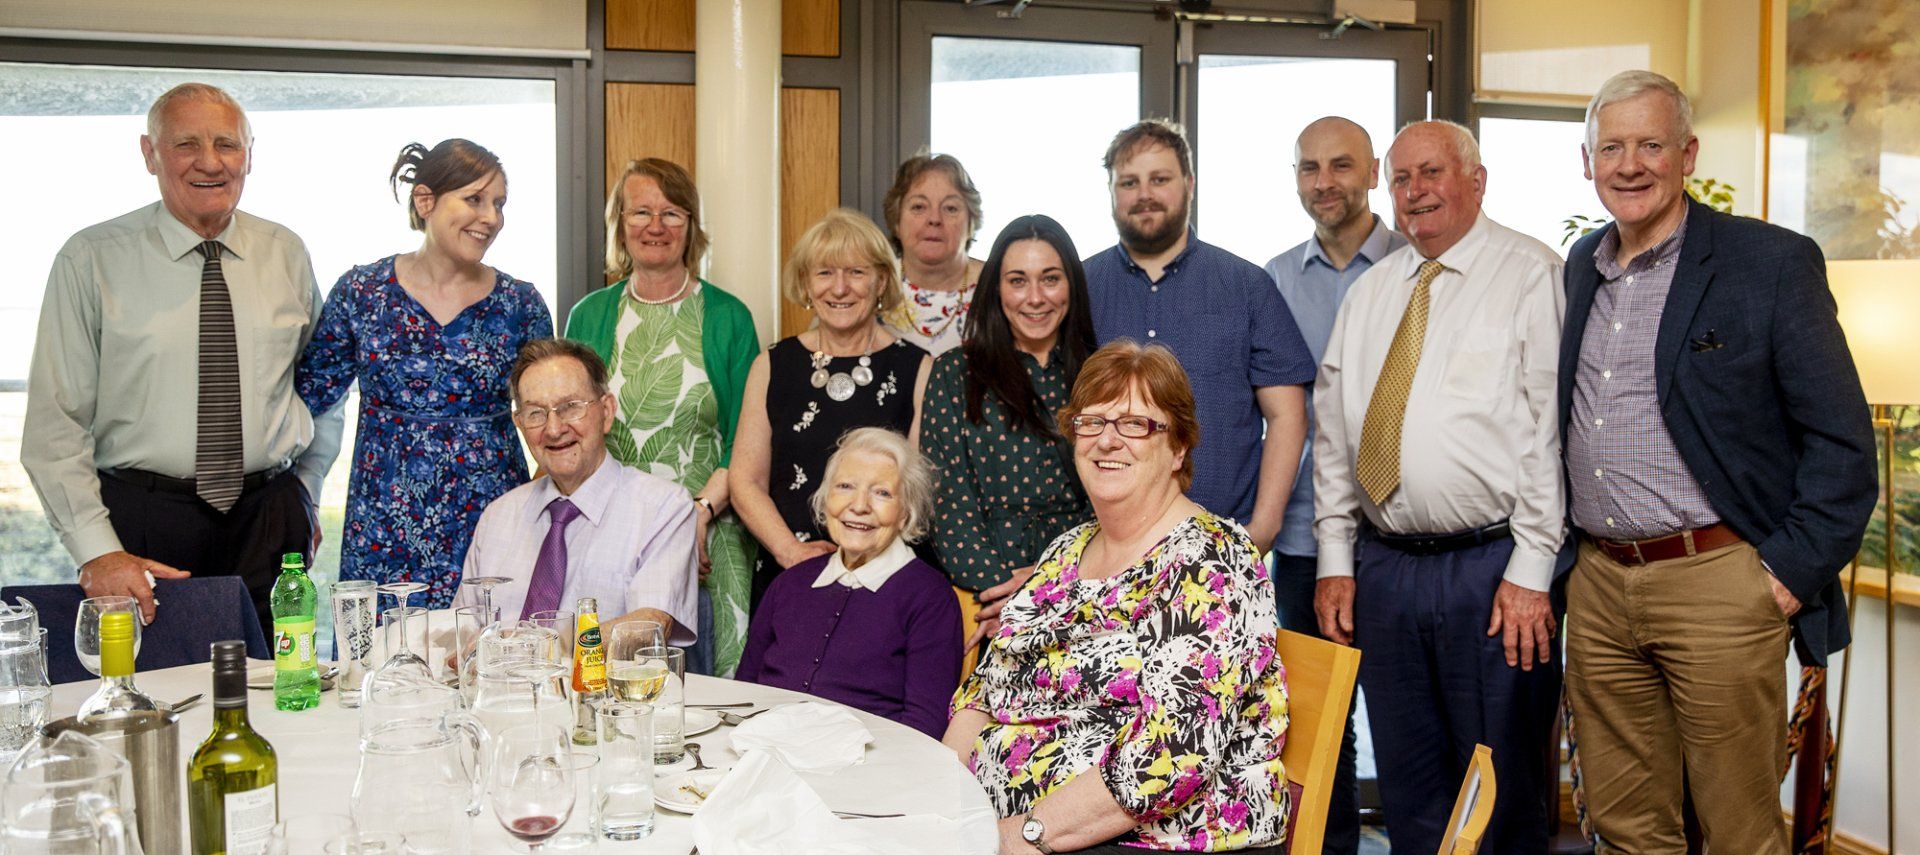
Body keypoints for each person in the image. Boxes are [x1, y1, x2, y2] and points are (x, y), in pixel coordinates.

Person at [1561, 70, 1876, 854]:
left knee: (1739, 831)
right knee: (1628, 825)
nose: (1629, 164)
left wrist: (1777, 577)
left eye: (1651, 144)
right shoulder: (1580, 264)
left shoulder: (1768, 264)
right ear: (1587, 160)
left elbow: (1843, 445)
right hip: (1600, 584)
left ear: (1688, 153)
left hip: (1720, 582)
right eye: (1612, 147)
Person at [1312, 119, 1565, 853]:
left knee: (1498, 783)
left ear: (1476, 181)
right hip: (1385, 570)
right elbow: (1335, 436)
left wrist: (1530, 570)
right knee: (1408, 784)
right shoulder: (1371, 293)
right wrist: (1336, 560)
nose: (1415, 192)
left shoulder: (1529, 273)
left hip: (1490, 573)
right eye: (1400, 178)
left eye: (1432, 173)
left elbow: (1550, 431)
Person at [946, 341, 1290, 855]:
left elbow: (1170, 756)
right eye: (1092, 422)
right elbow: (987, 691)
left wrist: (1023, 835)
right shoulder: (1066, 550)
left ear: (1178, 448)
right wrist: (943, 801)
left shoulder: (1213, 562)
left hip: (1163, 840)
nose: (1107, 441)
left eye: (1134, 424)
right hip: (1015, 827)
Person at [23, 83, 343, 633]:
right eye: (186, 144)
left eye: (227, 145)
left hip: (270, 518)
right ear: (149, 153)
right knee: (155, 703)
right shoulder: (90, 259)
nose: (210, 163)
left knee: (281, 694)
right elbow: (56, 425)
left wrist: (306, 491)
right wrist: (97, 551)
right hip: (144, 524)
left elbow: (322, 389)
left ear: (250, 155)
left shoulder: (286, 252)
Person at [297, 139, 552, 609]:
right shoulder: (362, 293)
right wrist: (297, 497)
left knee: (488, 655)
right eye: (474, 199)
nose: (491, 217)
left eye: (499, 204)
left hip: (492, 513)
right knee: (382, 663)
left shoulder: (522, 305)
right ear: (425, 200)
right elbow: (304, 402)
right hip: (383, 520)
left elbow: (549, 418)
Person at [1260, 116, 1405, 855]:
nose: (1326, 182)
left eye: (1342, 165)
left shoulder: (1422, 261)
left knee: (1410, 720)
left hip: (1408, 539)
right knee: (1319, 726)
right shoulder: (1275, 282)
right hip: (1307, 538)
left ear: (1373, 171)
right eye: (1309, 168)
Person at [565, 157, 759, 676]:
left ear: (691, 228)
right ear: (620, 225)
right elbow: (576, 433)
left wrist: (695, 513)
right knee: (608, 676)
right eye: (641, 212)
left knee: (706, 686)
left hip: (708, 529)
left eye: (672, 213)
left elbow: (746, 440)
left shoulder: (729, 317)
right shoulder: (588, 315)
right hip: (611, 528)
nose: (656, 226)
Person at [1083, 119, 1311, 555]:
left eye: (1160, 179)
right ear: (1111, 192)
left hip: (1224, 547)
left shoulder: (1247, 286)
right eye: (1129, 182)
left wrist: (1262, 529)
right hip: (1102, 551)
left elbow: (1287, 416)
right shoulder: (1078, 287)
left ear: (1189, 184)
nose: (1145, 194)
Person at [730, 209, 933, 610]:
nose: (839, 288)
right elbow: (745, 480)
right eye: (824, 273)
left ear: (882, 281)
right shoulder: (773, 364)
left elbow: (917, 492)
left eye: (856, 272)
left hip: (886, 581)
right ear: (805, 283)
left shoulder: (919, 368)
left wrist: (864, 565)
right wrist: (790, 553)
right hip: (788, 574)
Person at [920, 215, 1095, 660]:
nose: (1035, 298)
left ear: (1071, 286)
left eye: (1050, 279)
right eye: (1018, 281)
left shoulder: (1102, 375)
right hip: (981, 598)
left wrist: (1045, 587)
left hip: (1083, 591)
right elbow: (948, 503)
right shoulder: (954, 374)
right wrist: (1004, 596)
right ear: (996, 290)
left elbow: (1117, 502)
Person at [464, 339, 698, 639]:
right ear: (519, 424)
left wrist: (530, 650)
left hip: (601, 685)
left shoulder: (663, 507)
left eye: (570, 407)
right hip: (497, 685)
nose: (554, 429)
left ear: (607, 411)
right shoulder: (498, 516)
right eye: (536, 413)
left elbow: (648, 628)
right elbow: (465, 631)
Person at [737, 427, 961, 738]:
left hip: (863, 771)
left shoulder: (929, 597)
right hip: (763, 753)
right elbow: (741, 696)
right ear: (825, 498)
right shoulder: (789, 584)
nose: (859, 506)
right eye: (845, 486)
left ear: (906, 513)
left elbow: (924, 726)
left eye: (881, 492)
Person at [880, 153, 985, 356]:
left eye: (950, 208)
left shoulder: (1000, 287)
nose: (935, 219)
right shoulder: (869, 285)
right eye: (919, 207)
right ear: (896, 220)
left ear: (972, 223)